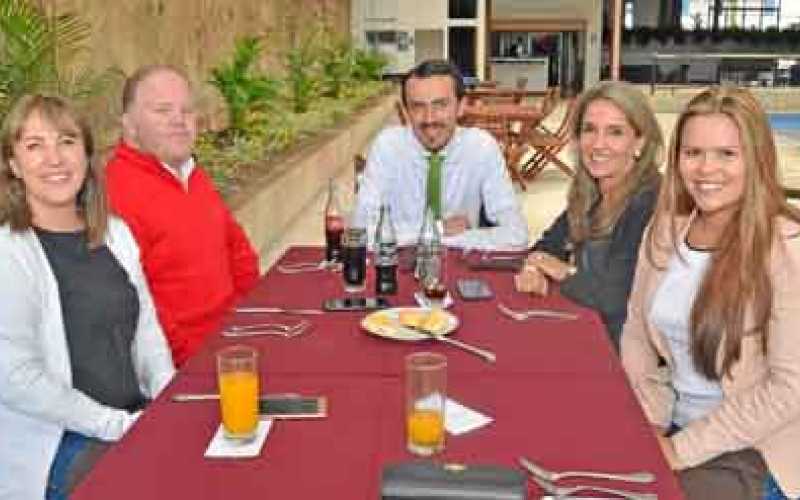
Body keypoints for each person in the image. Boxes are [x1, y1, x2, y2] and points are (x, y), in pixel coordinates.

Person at [621, 86, 800, 500]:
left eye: (726, 154)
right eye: (693, 153)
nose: (706, 169)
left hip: (753, 446)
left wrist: (680, 449)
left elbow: (789, 389)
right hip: (674, 425)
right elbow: (636, 332)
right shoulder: (666, 229)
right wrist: (650, 420)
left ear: (756, 159)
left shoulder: (787, 248)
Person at [0, 95, 175, 499]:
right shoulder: (10, 253)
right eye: (34, 146)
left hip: (133, 417)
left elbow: (146, 333)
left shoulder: (116, 234)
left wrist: (167, 401)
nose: (54, 159)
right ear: (14, 166)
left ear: (87, 153)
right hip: (58, 442)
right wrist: (118, 426)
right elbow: (17, 379)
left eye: (66, 141)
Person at [105, 65, 260, 366]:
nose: (179, 120)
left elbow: (239, 253)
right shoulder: (116, 192)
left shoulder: (191, 173)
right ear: (129, 125)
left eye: (186, 110)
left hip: (235, 340)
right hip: (185, 364)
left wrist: (250, 320)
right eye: (162, 110)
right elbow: (140, 304)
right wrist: (198, 360)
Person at [514, 81, 663, 350]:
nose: (598, 144)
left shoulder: (651, 201)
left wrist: (562, 271)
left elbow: (615, 297)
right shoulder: (590, 192)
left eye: (615, 132)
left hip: (628, 356)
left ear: (639, 142)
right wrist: (534, 267)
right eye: (589, 130)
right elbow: (546, 247)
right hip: (589, 329)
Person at [353, 59, 528, 250]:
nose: (429, 118)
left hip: (458, 269)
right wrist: (440, 229)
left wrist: (411, 236)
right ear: (406, 111)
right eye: (418, 106)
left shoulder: (481, 147)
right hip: (397, 268)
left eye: (441, 105)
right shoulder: (388, 146)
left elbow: (516, 235)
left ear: (461, 106)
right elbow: (361, 233)